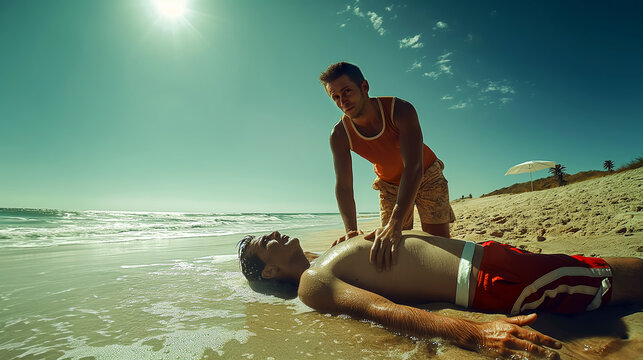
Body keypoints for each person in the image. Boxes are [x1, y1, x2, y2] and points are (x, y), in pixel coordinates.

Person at [238, 230, 642, 359]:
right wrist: (474, 334)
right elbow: (382, 310)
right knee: (615, 275)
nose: (274, 232)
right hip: (489, 277)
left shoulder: (322, 256)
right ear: (271, 269)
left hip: (488, 259)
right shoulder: (313, 281)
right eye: (264, 241)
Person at [320, 62, 456, 270]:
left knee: (439, 245)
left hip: (427, 174)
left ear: (364, 87)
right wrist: (351, 230)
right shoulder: (339, 134)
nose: (342, 101)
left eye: (347, 91)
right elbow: (344, 186)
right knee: (391, 248)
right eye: (335, 97)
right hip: (389, 184)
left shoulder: (399, 110)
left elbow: (414, 166)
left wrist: (396, 222)